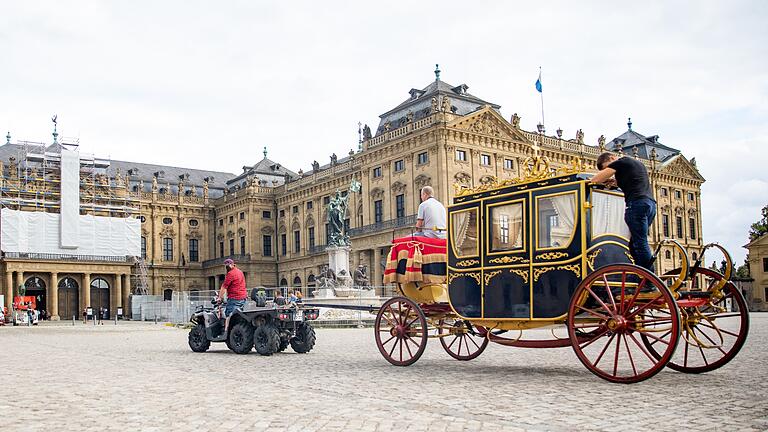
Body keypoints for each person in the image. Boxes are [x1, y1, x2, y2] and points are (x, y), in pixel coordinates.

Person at [591, 152, 657, 272]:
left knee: (640, 244)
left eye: (607, 168)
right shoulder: (636, 164)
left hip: (637, 205)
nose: (611, 173)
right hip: (650, 205)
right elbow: (632, 181)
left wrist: (593, 181)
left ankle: (649, 278)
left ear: (611, 158)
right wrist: (615, 182)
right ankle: (642, 274)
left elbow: (596, 179)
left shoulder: (621, 162)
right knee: (634, 244)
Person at [217, 258, 247, 331]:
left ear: (232, 265)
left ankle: (226, 331)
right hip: (243, 297)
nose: (227, 268)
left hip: (234, 298)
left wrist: (219, 298)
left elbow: (224, 287)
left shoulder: (230, 274)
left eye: (227, 266)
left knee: (228, 314)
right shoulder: (240, 272)